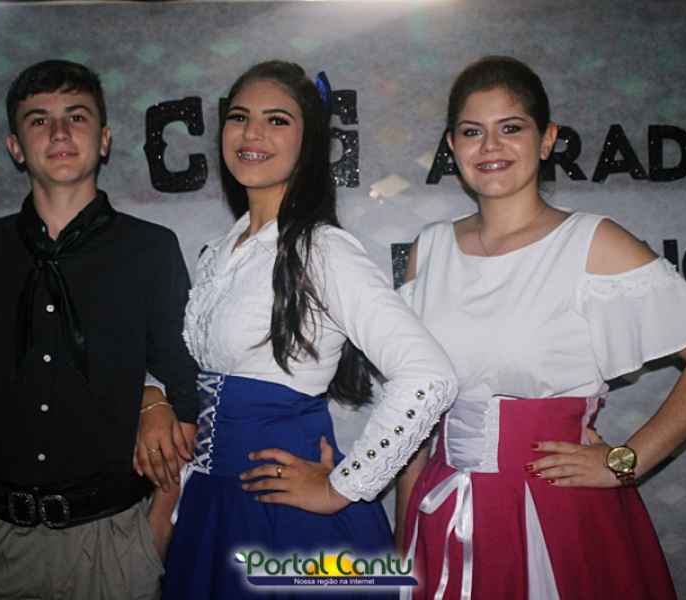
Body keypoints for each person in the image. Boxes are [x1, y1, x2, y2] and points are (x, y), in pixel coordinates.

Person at [395, 56, 686, 600]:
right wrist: (405, 534)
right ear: (452, 145)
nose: (490, 146)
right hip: (443, 511)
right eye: (472, 132)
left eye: (510, 128)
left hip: (556, 510)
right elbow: (414, 408)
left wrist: (626, 461)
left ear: (546, 140)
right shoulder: (430, 249)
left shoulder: (592, 242)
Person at [135, 61, 456, 599]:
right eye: (240, 117)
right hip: (209, 508)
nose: (252, 133)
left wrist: (344, 486)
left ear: (308, 144)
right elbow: (190, 366)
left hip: (283, 520)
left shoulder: (322, 249)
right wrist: (154, 395)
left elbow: (429, 376)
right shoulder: (221, 252)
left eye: (277, 120)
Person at [0, 59, 198, 600]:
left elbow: (187, 390)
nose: (58, 133)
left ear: (104, 140)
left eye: (76, 117)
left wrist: (154, 535)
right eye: (39, 120)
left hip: (111, 546)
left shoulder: (150, 249)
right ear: (15, 147)